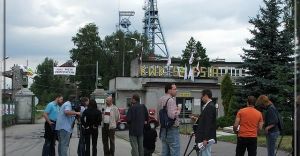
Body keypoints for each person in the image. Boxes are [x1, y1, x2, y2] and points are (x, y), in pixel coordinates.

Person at [159, 83, 181, 156]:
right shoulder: (171, 100)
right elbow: (172, 116)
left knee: (165, 152)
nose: (176, 91)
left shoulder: (161, 99)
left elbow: (158, 115)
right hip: (172, 129)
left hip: (163, 129)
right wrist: (179, 110)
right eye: (174, 89)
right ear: (169, 90)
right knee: (175, 151)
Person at [195, 89, 217, 156]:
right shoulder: (208, 106)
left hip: (205, 138)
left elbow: (208, 124)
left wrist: (205, 139)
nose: (201, 98)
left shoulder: (210, 106)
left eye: (202, 96)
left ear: (206, 96)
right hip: (204, 136)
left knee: (205, 154)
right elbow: (205, 121)